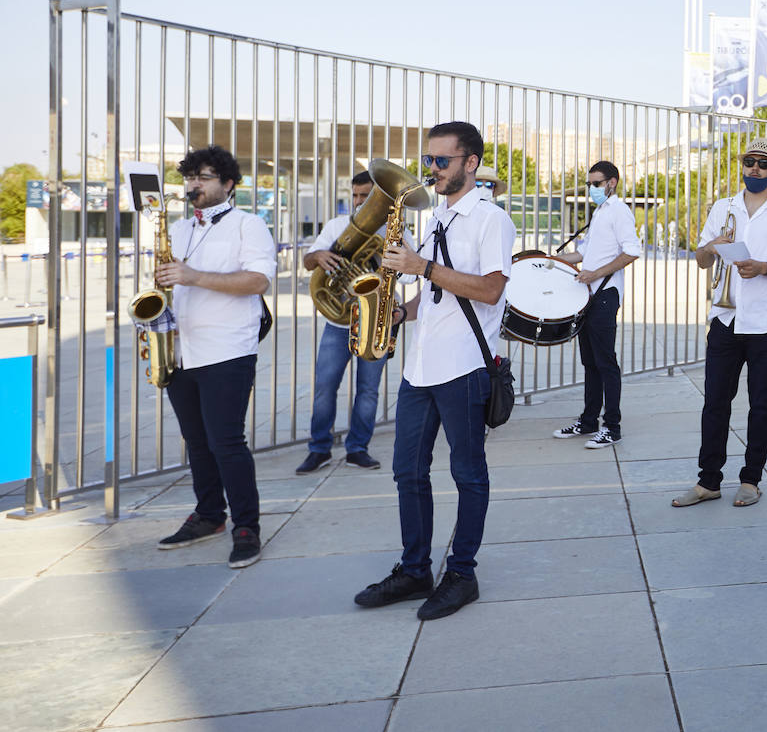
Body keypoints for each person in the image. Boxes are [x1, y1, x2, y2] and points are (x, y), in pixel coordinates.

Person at [353, 121, 516, 621]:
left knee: (468, 474)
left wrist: (421, 267)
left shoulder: (491, 220)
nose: (431, 170)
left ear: (471, 163)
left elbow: (490, 289)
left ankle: (462, 575)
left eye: (441, 161)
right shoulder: (434, 218)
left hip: (465, 365)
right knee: (407, 472)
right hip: (420, 366)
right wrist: (401, 312)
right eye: (429, 161)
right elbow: (436, 291)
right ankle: (414, 569)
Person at [154, 145, 276, 569]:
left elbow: (258, 280)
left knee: (226, 442)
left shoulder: (249, 226)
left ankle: (247, 526)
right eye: (190, 176)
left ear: (228, 184)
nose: (194, 184)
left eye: (204, 176)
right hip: (182, 350)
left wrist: (192, 275)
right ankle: (209, 515)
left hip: (228, 350)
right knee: (198, 443)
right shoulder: (178, 228)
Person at [673, 137, 767, 508]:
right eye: (749, 162)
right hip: (725, 317)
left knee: (762, 404)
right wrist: (713, 244)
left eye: (763, 164)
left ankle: (751, 479)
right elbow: (701, 259)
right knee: (715, 402)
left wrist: (764, 268)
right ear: (742, 165)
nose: (755, 169)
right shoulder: (723, 207)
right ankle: (708, 482)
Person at [296, 170, 417, 475]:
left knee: (368, 390)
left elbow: (414, 274)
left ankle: (357, 448)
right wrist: (321, 256)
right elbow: (308, 261)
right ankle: (319, 448)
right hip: (339, 322)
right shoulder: (338, 226)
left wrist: (395, 249)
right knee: (325, 387)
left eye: (367, 196)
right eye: (357, 196)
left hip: (377, 320)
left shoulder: (396, 229)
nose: (361, 202)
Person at [551, 161, 642, 448]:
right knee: (590, 362)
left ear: (612, 182)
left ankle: (611, 428)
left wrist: (596, 274)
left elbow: (632, 251)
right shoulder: (601, 212)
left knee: (605, 363)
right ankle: (589, 421)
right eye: (589, 184)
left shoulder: (620, 211)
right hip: (589, 295)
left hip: (604, 295)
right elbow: (584, 254)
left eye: (597, 183)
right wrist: (546, 260)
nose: (592, 189)